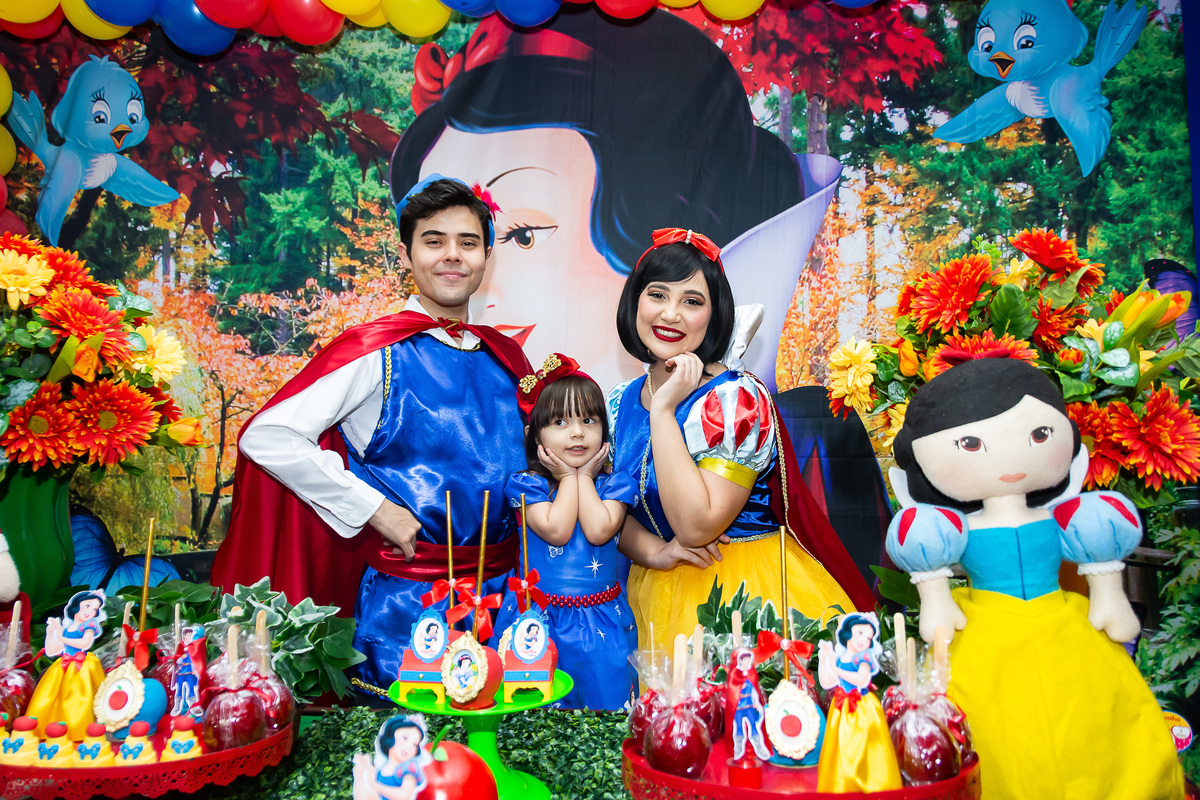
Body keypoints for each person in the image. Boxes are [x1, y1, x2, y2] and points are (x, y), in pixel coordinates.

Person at [392, 5, 839, 391]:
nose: (473, 273)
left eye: (524, 234)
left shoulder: (728, 410)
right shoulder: (616, 406)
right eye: (440, 240)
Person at [211, 176, 532, 696]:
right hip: (409, 615)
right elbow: (267, 435)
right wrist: (373, 508)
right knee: (408, 743)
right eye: (434, 241)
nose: (452, 255)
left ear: (486, 257)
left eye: (468, 242)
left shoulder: (506, 358)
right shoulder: (377, 352)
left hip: (506, 609)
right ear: (406, 254)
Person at [885, 356, 1184, 799]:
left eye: (1040, 434)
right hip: (983, 633)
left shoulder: (1067, 517)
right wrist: (936, 599)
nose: (1009, 458)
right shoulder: (951, 528)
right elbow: (926, 548)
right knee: (990, 721)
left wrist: (1109, 594)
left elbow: (1096, 540)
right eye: (971, 444)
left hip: (1065, 626)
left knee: (1095, 712)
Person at [606, 228, 874, 656]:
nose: (670, 314)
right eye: (657, 295)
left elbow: (698, 526)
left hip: (742, 599)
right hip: (651, 593)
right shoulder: (618, 402)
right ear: (634, 301)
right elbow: (606, 512)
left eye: (692, 301)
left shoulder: (734, 400)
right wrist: (653, 552)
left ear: (714, 316)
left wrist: (663, 412)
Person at [493, 355, 650, 710]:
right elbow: (556, 530)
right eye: (560, 422)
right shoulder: (527, 485)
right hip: (538, 621)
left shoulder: (615, 484)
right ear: (534, 435)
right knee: (535, 710)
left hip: (601, 622)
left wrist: (583, 479)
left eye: (588, 420)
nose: (577, 432)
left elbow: (599, 530)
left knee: (605, 711)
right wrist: (568, 477)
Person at [816, 612, 900, 792]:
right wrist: (824, 660)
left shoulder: (864, 659)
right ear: (847, 633)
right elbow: (828, 681)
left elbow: (861, 679)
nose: (864, 640)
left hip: (862, 706)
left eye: (868, 637)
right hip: (841, 705)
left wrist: (836, 668)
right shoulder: (840, 658)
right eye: (860, 633)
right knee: (838, 745)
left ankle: (874, 779)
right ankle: (838, 781)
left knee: (868, 742)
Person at [27, 589, 107, 739]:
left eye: (95, 609)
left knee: (81, 696)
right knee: (54, 696)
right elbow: (52, 650)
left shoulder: (89, 626)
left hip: (82, 666)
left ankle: (79, 728)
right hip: (64, 664)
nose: (90, 611)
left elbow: (85, 642)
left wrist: (61, 638)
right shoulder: (66, 628)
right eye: (87, 606)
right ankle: (53, 726)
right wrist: (51, 632)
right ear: (76, 606)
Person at [352, 715, 432, 800]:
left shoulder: (409, 768)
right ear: (390, 738)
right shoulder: (380, 772)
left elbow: (404, 795)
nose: (409, 747)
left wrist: (374, 784)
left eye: (414, 744)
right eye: (404, 738)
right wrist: (359, 775)